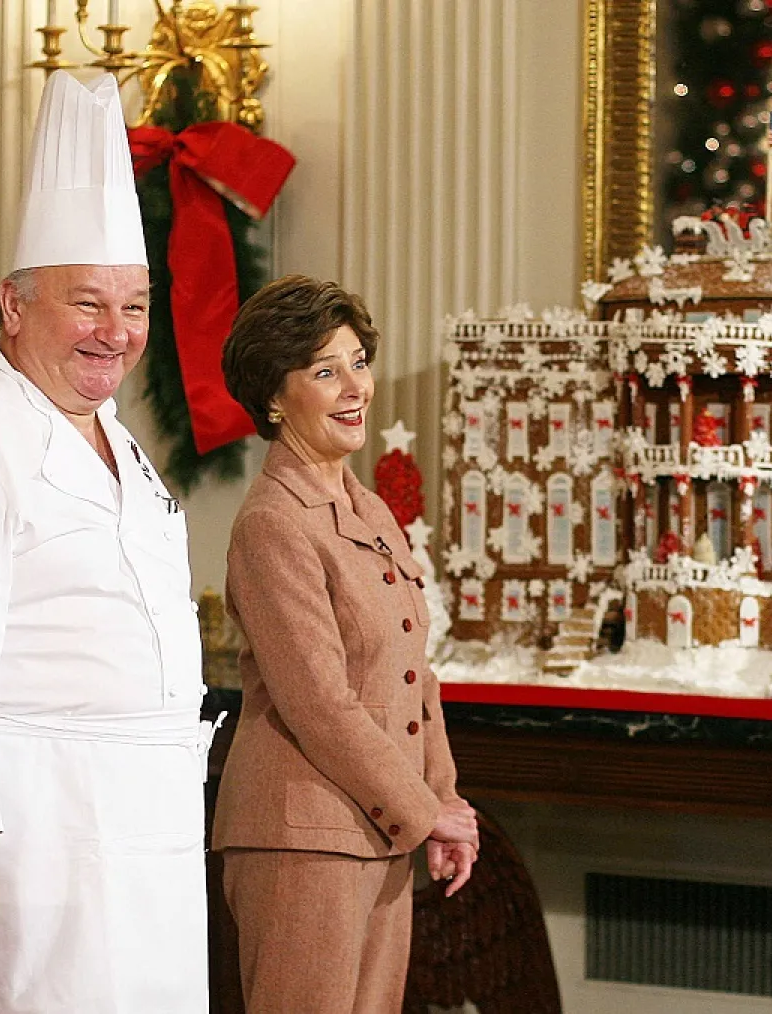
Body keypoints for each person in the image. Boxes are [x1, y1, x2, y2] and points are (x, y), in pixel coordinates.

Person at [0, 72, 209, 1013]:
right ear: (12, 306)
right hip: (27, 853)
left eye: (135, 306)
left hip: (136, 853)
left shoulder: (116, 441)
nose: (118, 333)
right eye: (88, 303)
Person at [214, 275, 479, 1013]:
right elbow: (319, 703)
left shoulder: (368, 509)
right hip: (300, 841)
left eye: (358, 361)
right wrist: (426, 811)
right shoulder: (274, 523)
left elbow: (410, 678)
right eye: (326, 371)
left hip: (379, 830)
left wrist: (442, 801)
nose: (354, 386)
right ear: (274, 397)